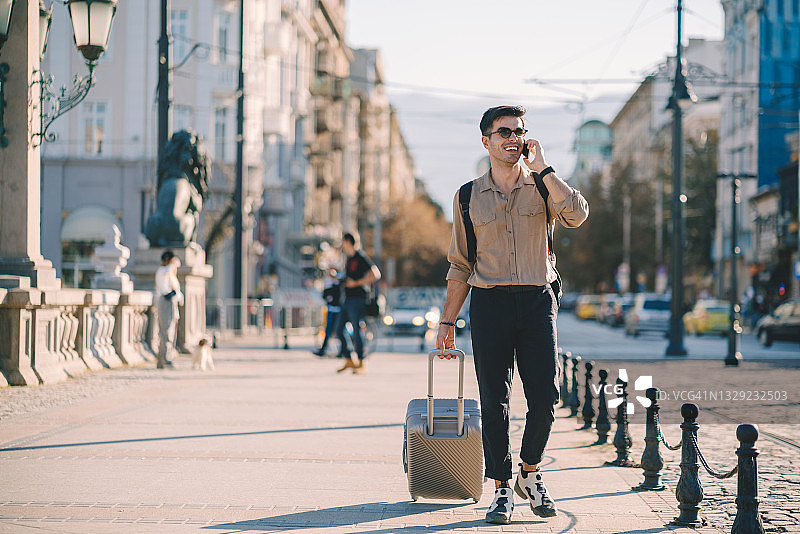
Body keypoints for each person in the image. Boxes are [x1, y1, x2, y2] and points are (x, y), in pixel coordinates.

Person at [435, 106, 589, 524]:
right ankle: (502, 487)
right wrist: (447, 322)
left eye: (520, 131)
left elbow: (576, 214)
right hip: (489, 304)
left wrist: (544, 168)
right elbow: (461, 263)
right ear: (485, 140)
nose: (514, 138)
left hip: (538, 300)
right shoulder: (468, 196)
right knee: (494, 398)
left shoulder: (543, 187)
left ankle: (530, 472)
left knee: (545, 396)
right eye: (504, 132)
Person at [336, 233, 381, 374]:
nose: (342, 244)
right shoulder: (348, 259)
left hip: (358, 299)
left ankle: (362, 362)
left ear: (348, 242)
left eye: (343, 241)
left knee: (357, 330)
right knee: (338, 329)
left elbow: (376, 274)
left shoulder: (360, 257)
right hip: (347, 299)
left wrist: (356, 283)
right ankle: (349, 359)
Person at [155, 250, 183, 369]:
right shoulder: (163, 271)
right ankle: (165, 360)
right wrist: (173, 264)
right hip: (166, 301)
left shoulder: (168, 272)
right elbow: (169, 271)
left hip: (171, 302)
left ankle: (164, 359)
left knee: (170, 331)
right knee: (166, 332)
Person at [313, 268, 343, 357]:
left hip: (339, 311)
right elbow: (325, 295)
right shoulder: (329, 284)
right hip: (331, 310)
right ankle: (323, 350)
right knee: (328, 330)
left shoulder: (340, 283)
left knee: (340, 331)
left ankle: (343, 350)